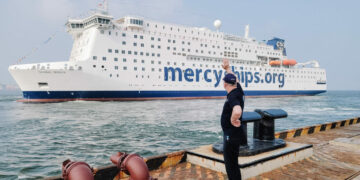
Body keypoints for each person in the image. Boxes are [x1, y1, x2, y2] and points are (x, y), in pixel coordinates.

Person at [220, 59, 246, 180]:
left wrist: (232, 119)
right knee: (234, 163)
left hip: (230, 135)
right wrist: (228, 68)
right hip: (236, 134)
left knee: (230, 165)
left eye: (224, 82)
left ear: (226, 84)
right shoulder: (238, 90)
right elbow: (236, 78)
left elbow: (237, 110)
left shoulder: (232, 96)